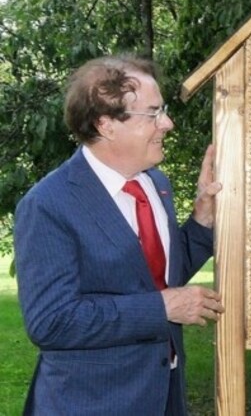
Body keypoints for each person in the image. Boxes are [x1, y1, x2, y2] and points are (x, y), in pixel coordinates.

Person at [14, 55, 225, 415]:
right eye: (153, 113)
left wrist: (202, 221)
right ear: (107, 124)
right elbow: (52, 321)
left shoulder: (156, 184)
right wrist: (164, 307)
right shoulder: (48, 204)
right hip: (90, 404)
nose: (168, 123)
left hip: (165, 399)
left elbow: (155, 277)